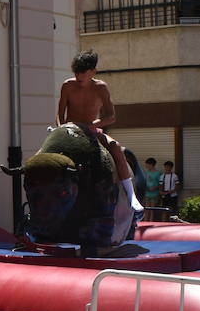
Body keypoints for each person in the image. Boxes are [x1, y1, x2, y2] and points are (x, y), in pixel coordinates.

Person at [56, 51, 143, 220]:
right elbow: (60, 113)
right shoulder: (67, 85)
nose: (79, 76)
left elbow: (111, 116)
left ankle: (132, 196)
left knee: (115, 147)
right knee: (45, 152)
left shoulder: (101, 87)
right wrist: (61, 128)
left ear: (93, 72)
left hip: (91, 130)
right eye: (76, 72)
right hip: (70, 130)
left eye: (83, 72)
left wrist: (92, 125)